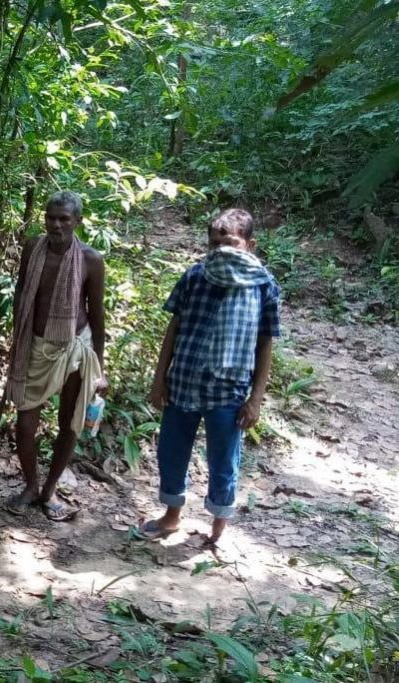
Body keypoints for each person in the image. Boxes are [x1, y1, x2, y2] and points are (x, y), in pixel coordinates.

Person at [144, 208, 281, 546]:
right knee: (172, 451)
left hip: (229, 388)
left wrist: (256, 399)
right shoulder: (195, 276)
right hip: (185, 380)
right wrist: (159, 379)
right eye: (214, 243)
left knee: (224, 457)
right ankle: (172, 515)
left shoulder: (263, 285)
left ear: (249, 244)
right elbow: (173, 330)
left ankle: (219, 525)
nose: (221, 250)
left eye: (230, 243)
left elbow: (265, 343)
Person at [3, 191, 108, 522]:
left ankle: (49, 491)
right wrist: (17, 334)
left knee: (69, 422)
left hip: (76, 345)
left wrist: (100, 366)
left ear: (77, 221)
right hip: (34, 344)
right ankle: (31, 485)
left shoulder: (91, 260)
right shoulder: (33, 248)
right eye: (51, 217)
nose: (57, 224)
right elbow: (22, 289)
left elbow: (96, 312)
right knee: (24, 423)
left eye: (64, 219)